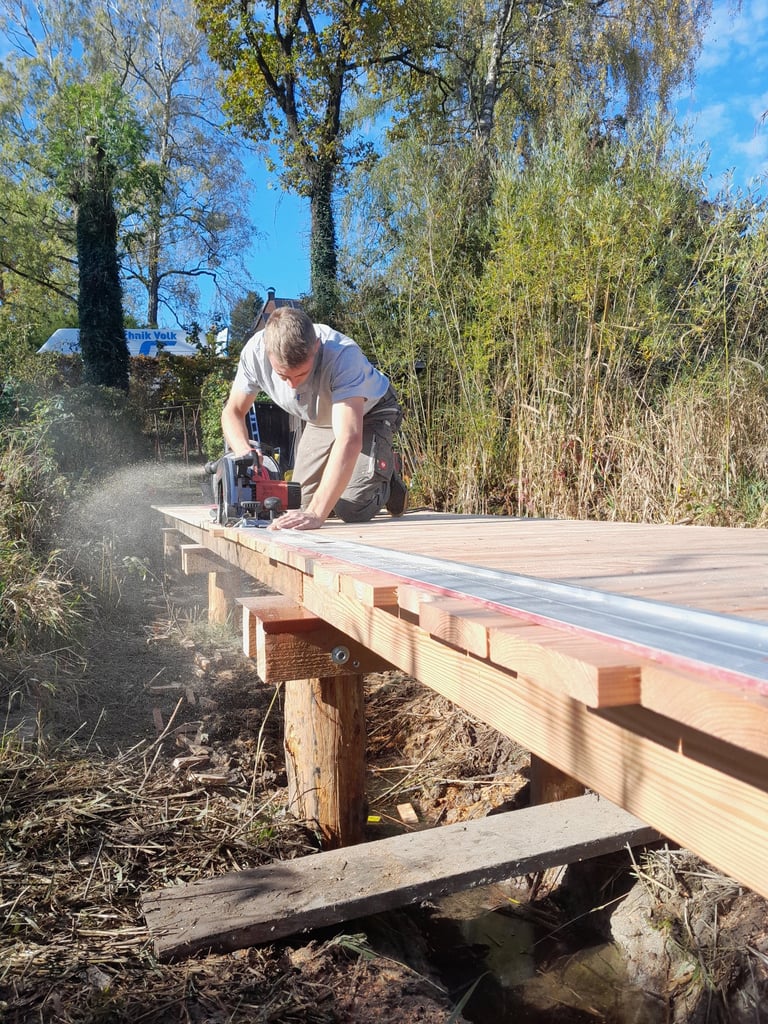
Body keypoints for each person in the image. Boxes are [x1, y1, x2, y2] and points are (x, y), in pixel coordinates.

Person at [221, 306, 407, 531]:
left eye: (300, 374)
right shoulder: (253, 353)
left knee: (351, 507)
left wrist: (317, 514)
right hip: (322, 419)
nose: (292, 384)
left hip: (370, 412)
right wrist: (244, 452)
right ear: (267, 353)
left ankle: (387, 475)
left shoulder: (343, 355)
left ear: (316, 346)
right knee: (296, 503)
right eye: (283, 376)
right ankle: (366, 472)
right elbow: (232, 412)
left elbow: (348, 438)